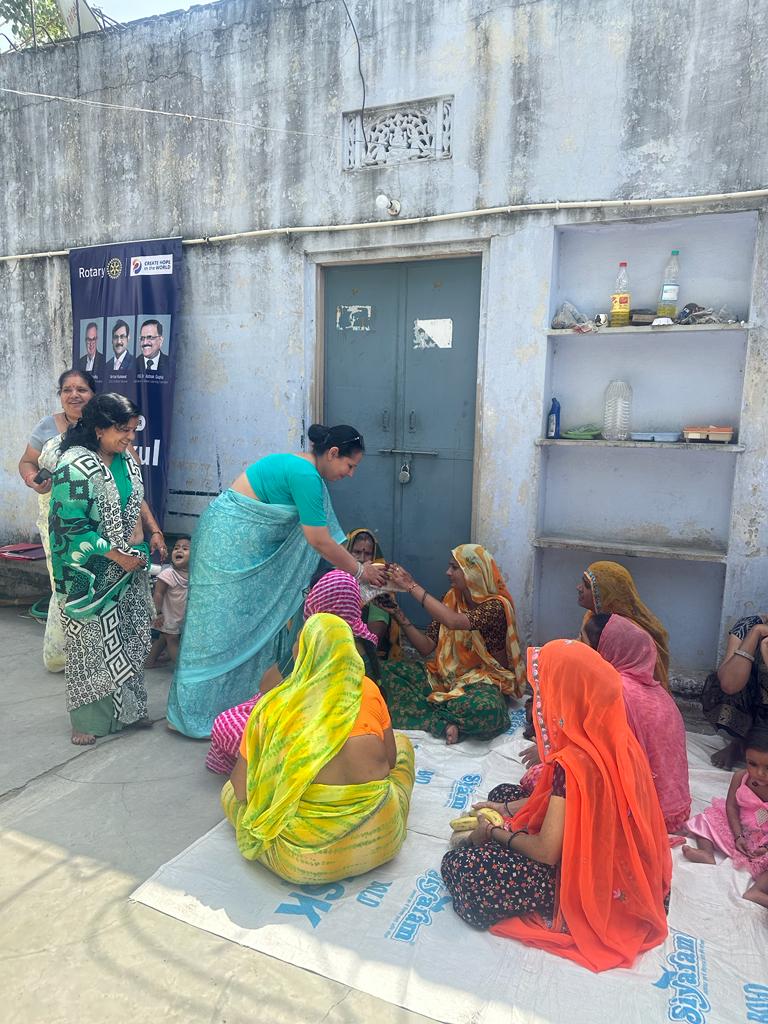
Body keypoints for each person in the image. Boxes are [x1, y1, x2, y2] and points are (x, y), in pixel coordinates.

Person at [440, 640, 671, 973]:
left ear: (567, 697)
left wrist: (493, 833)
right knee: (505, 793)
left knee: (462, 868)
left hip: (584, 877)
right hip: (619, 865)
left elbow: (547, 852)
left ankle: (552, 896)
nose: (539, 704)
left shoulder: (574, 761)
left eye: (545, 693)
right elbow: (563, 801)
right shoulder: (616, 739)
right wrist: (503, 807)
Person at [166, 424, 387, 738]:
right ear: (333, 453)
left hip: (243, 548)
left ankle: (236, 709)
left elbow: (322, 537)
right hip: (227, 547)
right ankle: (194, 713)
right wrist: (361, 572)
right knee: (219, 630)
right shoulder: (305, 475)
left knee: (254, 628)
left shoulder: (308, 474)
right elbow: (319, 540)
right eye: (350, 466)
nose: (350, 474)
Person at [221, 613, 415, 884]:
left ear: (302, 653)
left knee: (230, 792)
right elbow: (391, 762)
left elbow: (242, 790)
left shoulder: (273, 706)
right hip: (383, 838)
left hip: (302, 861)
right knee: (402, 744)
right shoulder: (368, 689)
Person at [48, 393, 154, 745]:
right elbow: (70, 525)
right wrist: (117, 556)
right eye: (123, 430)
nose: (130, 437)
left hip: (128, 567)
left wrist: (146, 539)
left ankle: (129, 710)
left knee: (128, 635)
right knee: (90, 644)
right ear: (98, 429)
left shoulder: (126, 461)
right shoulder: (74, 466)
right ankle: (87, 720)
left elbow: (134, 503)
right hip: (88, 574)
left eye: (133, 430)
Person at [205, 569, 381, 774]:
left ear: (320, 602)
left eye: (312, 595)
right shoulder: (366, 642)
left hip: (316, 730)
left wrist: (299, 646)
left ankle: (270, 771)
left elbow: (266, 686)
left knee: (227, 723)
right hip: (354, 731)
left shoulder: (315, 641)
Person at [378, 544, 526, 745]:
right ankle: (445, 720)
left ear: (474, 572)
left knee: (487, 710)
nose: (447, 572)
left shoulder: (495, 607)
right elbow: (426, 647)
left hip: (483, 684)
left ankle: (429, 712)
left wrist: (410, 585)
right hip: (443, 678)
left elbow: (454, 622)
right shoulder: (451, 599)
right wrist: (398, 614)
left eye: (455, 568)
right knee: (381, 673)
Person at [18, 370, 97, 672]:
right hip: (56, 523)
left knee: (95, 582)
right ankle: (62, 654)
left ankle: (93, 651)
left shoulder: (104, 425)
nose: (74, 395)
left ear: (93, 393)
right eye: (67, 390)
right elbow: (27, 461)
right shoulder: (47, 426)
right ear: (60, 395)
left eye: (82, 389)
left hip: (96, 519)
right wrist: (32, 479)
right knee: (64, 583)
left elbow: (128, 464)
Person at [583, 612, 691, 833]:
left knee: (548, 776)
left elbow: (595, 754)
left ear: (604, 650)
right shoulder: (657, 690)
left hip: (642, 813)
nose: (577, 646)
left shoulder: (614, 689)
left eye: (582, 641)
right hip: (674, 809)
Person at [683, 728, 768, 908]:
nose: (759, 773)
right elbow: (731, 806)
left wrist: (765, 847)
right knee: (707, 818)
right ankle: (706, 853)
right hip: (740, 828)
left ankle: (757, 891)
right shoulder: (740, 777)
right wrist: (738, 836)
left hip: (765, 840)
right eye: (752, 764)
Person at [577, 560, 670, 688]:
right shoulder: (591, 616)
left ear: (606, 595)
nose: (579, 588)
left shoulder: (627, 632)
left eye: (587, 585)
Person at [700, 614, 768, 770]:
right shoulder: (750, 625)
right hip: (758, 706)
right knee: (730, 673)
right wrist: (755, 632)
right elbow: (729, 685)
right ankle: (739, 743)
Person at [345, 527, 402, 659]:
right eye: (356, 552)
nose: (362, 558)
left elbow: (374, 635)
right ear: (347, 552)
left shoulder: (380, 584)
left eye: (368, 554)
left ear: (374, 556)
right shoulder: (334, 576)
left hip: (362, 654)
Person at [147, 536, 191, 667]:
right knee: (172, 640)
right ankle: (181, 670)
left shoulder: (192, 575)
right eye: (176, 548)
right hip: (166, 616)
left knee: (163, 638)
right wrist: (158, 613)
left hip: (178, 616)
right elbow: (158, 594)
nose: (179, 550)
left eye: (185, 549)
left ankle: (149, 662)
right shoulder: (169, 573)